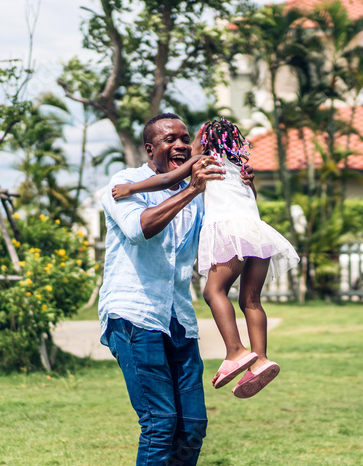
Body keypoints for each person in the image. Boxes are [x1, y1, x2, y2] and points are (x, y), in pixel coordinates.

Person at [98, 113, 226, 466]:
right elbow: (141, 228)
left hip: (177, 321)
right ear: (149, 149)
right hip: (133, 317)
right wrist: (191, 188)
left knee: (191, 426)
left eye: (185, 139)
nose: (179, 144)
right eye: (169, 139)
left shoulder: (200, 194)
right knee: (159, 423)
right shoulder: (124, 183)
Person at [112, 117, 299, 399]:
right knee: (251, 299)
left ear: (204, 140)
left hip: (230, 231)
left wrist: (131, 189)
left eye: (190, 139)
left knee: (214, 291)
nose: (186, 146)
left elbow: (167, 179)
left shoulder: (202, 162)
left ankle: (236, 351)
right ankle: (260, 359)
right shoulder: (240, 167)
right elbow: (250, 198)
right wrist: (251, 183)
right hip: (259, 234)